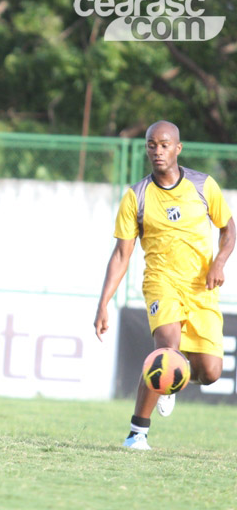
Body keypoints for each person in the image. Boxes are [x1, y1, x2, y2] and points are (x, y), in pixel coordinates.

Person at [94, 120, 235, 450]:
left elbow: (229, 230)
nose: (157, 151)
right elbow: (121, 254)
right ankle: (137, 434)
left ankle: (171, 381)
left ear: (178, 148)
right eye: (151, 145)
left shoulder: (203, 185)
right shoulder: (136, 196)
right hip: (161, 284)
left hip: (201, 288)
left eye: (164, 145)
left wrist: (219, 263)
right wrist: (103, 303)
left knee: (211, 372)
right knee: (166, 350)